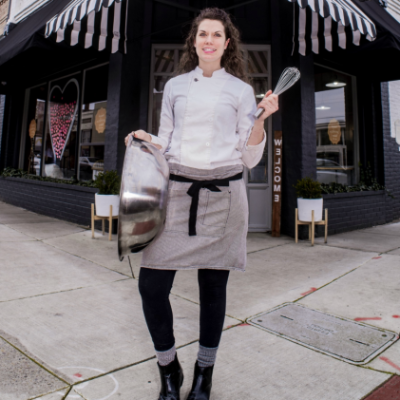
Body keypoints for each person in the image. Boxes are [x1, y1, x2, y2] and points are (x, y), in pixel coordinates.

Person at [125, 7, 278, 400]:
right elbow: (168, 141)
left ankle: (204, 373)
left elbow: (248, 157)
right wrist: (144, 139)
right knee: (151, 285)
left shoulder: (242, 91)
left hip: (224, 195)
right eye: (202, 34)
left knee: (213, 288)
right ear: (194, 42)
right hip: (177, 193)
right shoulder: (174, 87)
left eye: (216, 35)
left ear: (227, 44)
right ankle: (169, 367)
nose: (209, 40)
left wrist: (261, 120)